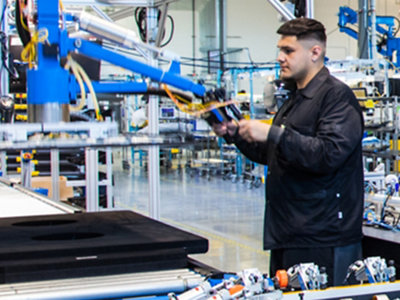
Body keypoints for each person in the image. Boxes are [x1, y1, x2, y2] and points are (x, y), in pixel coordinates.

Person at [212, 18, 364, 286]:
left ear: (315, 52)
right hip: (288, 233)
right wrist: (235, 135)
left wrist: (272, 132)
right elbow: (274, 154)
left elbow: (328, 154)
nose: (280, 58)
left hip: (323, 237)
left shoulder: (336, 98)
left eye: (288, 50)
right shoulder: (294, 100)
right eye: (280, 50)